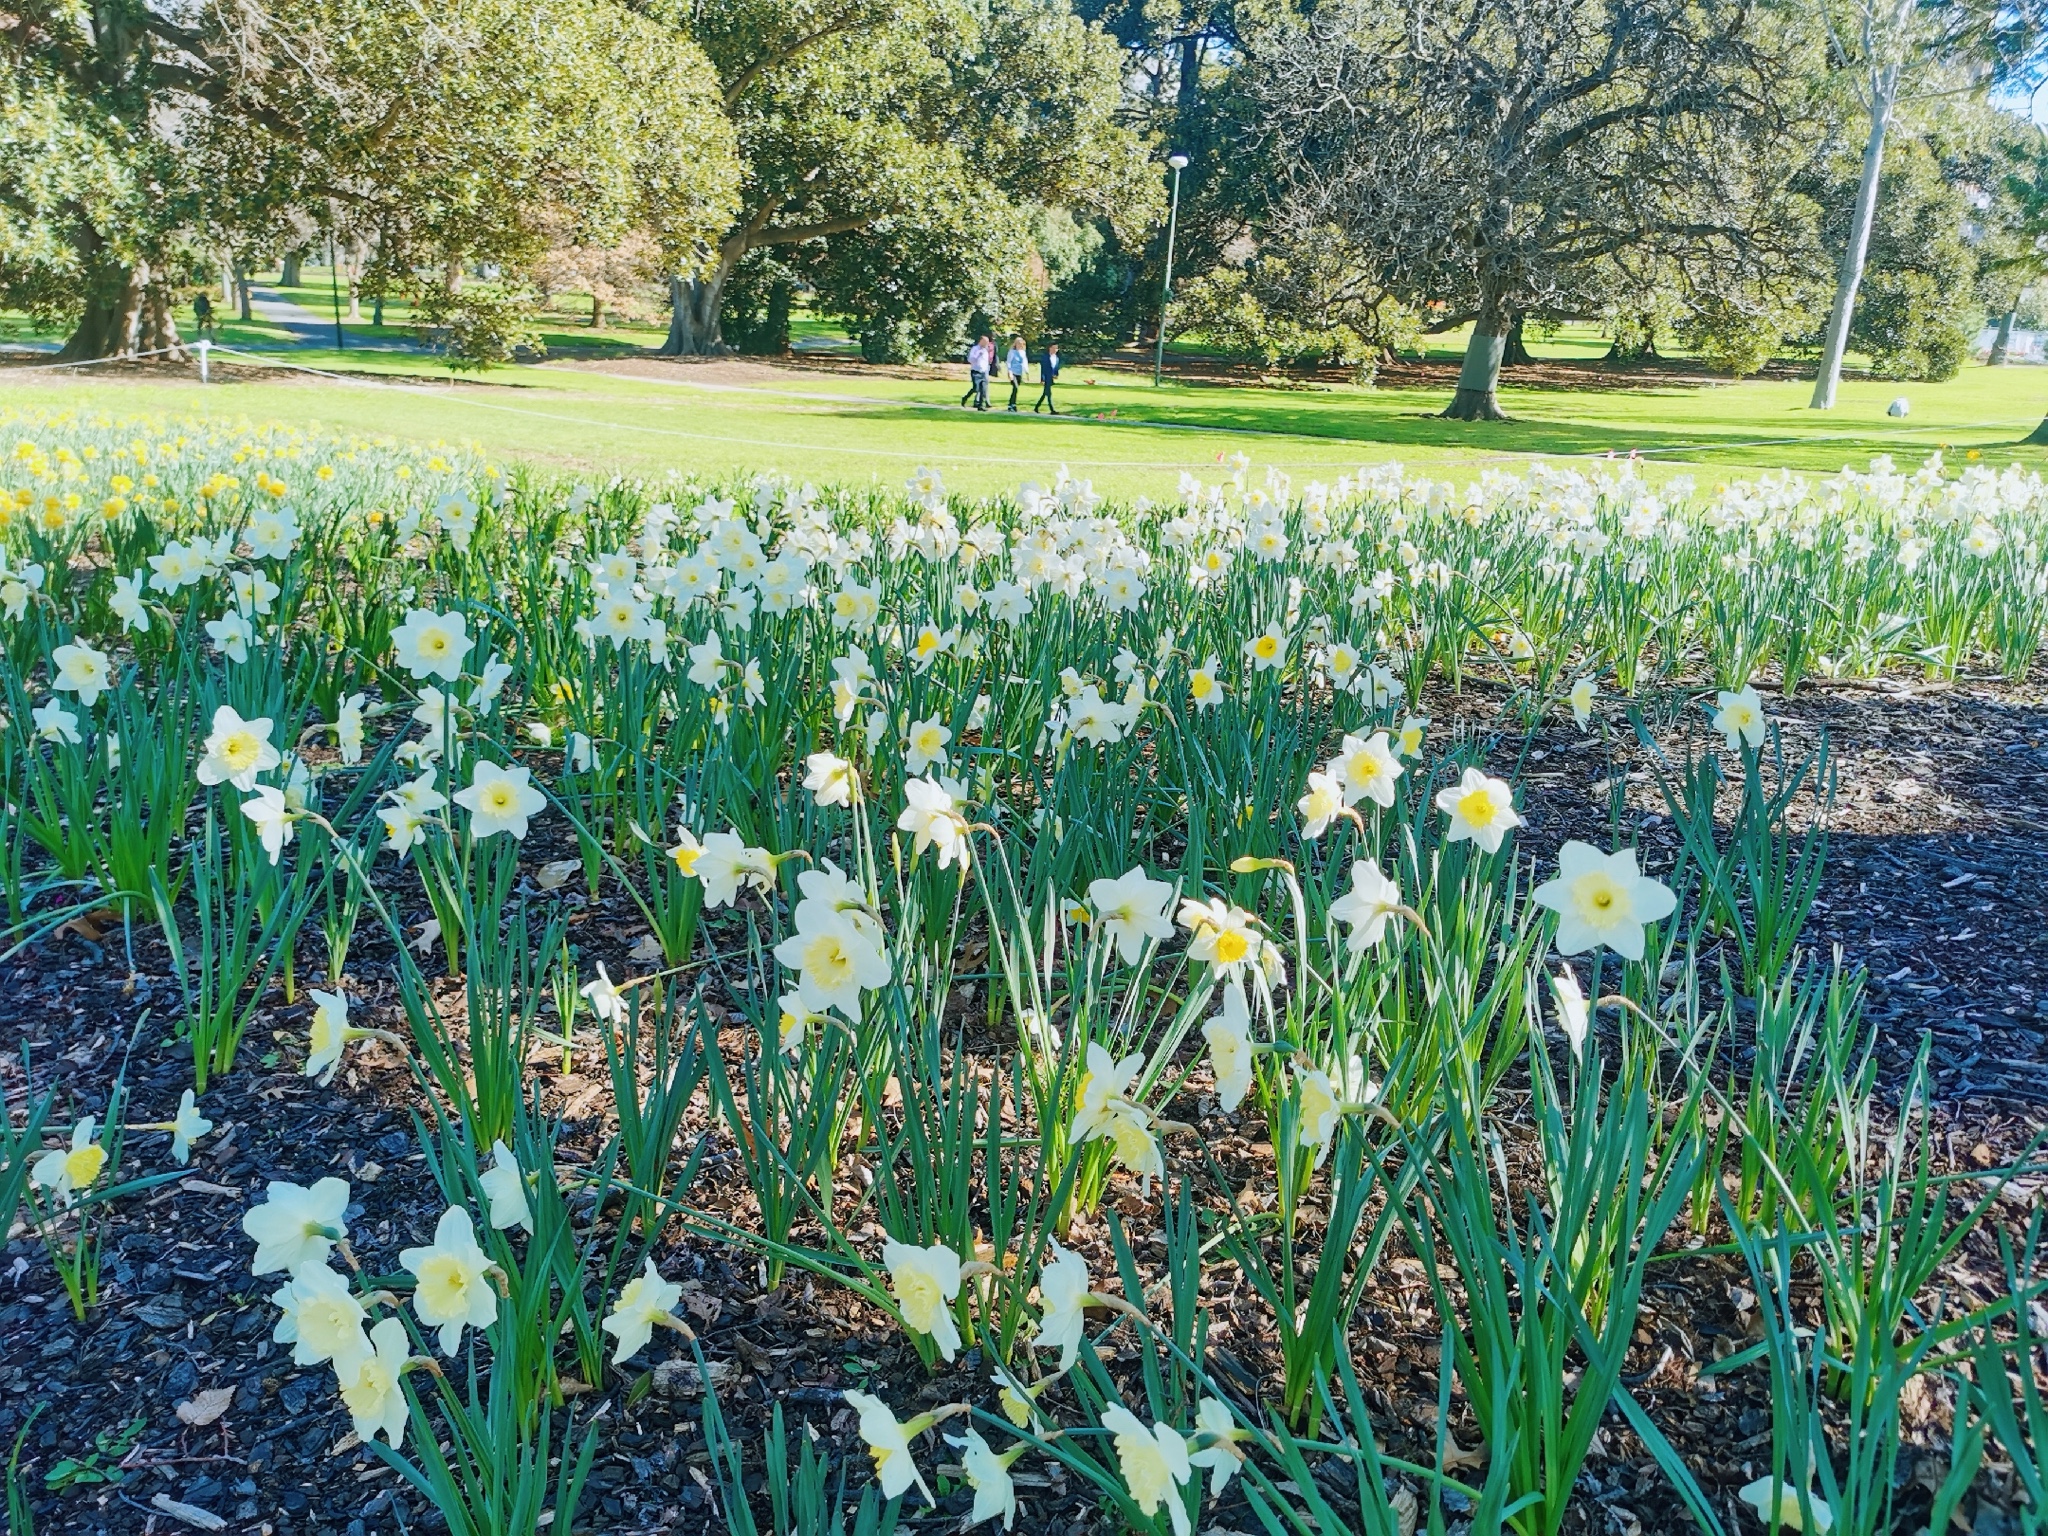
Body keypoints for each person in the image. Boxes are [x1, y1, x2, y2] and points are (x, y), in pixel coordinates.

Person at [961, 334, 993, 411]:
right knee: (976, 388)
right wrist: (978, 355)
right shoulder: (975, 349)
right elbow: (970, 359)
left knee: (983, 389)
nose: (986, 344)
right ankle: (965, 398)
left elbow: (986, 362)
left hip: (983, 372)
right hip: (975, 371)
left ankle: (981, 406)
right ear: (981, 341)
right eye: (985, 342)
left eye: (987, 342)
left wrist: (987, 370)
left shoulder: (985, 350)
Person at [1033, 341, 1061, 414]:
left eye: (1056, 348)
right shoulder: (1045, 357)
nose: (1055, 350)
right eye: (1054, 348)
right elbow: (1043, 369)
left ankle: (1036, 407)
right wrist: (1042, 379)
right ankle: (1052, 410)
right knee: (1048, 393)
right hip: (1046, 377)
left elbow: (1056, 367)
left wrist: (1056, 374)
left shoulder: (1056, 358)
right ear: (1050, 348)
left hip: (1051, 378)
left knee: (1045, 393)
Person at [1004, 335, 1028, 411]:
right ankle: (1011, 404)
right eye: (1018, 343)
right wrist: (1010, 372)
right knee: (1015, 387)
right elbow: (1009, 362)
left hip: (1019, 372)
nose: (1020, 345)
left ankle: (1012, 404)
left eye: (1021, 344)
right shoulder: (1012, 352)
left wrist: (1027, 372)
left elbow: (1024, 362)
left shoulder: (1023, 353)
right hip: (1013, 372)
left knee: (1016, 389)